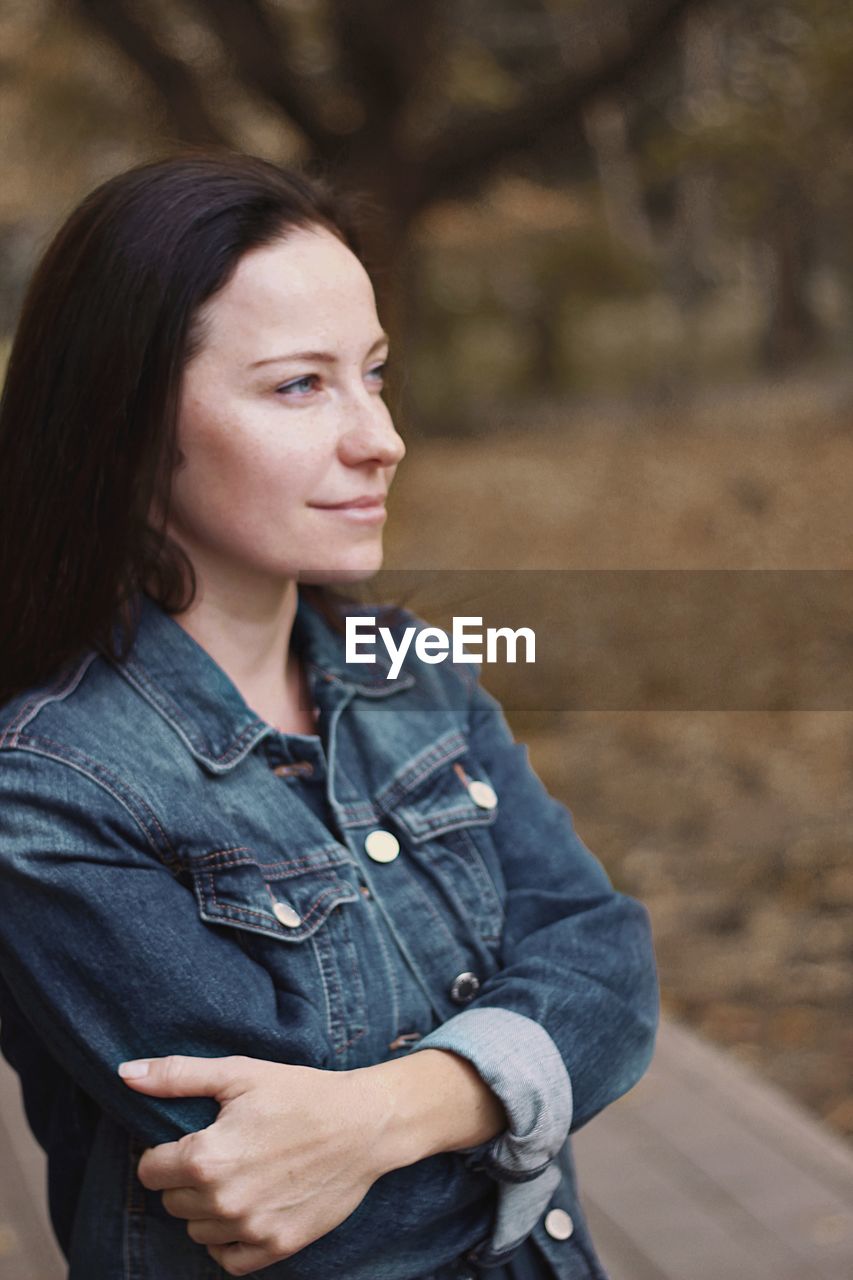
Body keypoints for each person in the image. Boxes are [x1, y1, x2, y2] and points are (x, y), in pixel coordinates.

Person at [0, 150, 659, 1280]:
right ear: (127, 423)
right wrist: (523, 1088)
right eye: (300, 385)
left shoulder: (403, 663)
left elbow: (609, 959)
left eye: (375, 372)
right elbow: (316, 1218)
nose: (380, 437)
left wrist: (390, 1112)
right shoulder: (48, 787)